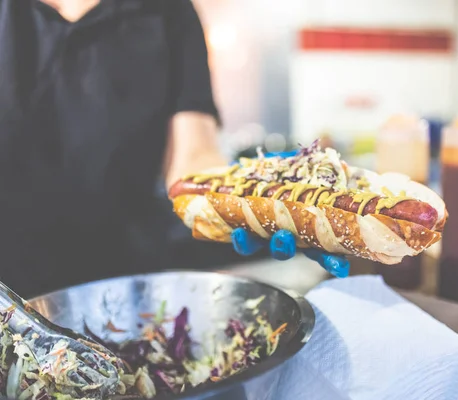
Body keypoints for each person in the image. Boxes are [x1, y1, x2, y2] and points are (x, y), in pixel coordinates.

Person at [0, 0, 348, 299]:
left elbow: (193, 161)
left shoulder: (168, 11)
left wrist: (254, 199)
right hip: (10, 290)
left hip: (127, 285)